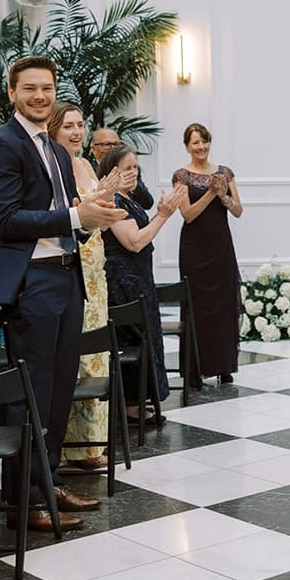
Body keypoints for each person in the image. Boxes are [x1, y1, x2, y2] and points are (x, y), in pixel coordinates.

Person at [0, 57, 126, 532]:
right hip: (29, 283)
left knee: (59, 391)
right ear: (12, 92)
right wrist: (78, 219)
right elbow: (6, 218)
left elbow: (62, 209)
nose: (40, 96)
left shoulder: (56, 151)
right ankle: (24, 499)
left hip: (64, 275)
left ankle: (48, 480)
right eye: (30, 89)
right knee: (30, 395)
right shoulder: (1, 144)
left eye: (48, 88)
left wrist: (88, 214)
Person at [99, 145, 184, 430]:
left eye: (135, 167)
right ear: (111, 172)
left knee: (147, 336)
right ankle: (132, 404)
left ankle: (143, 398)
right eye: (126, 168)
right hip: (123, 282)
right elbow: (133, 241)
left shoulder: (129, 198)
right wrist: (163, 215)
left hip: (139, 279)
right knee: (132, 339)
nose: (133, 172)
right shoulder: (114, 203)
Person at [52, 104, 112, 470]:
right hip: (73, 263)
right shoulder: (55, 166)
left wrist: (107, 195)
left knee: (96, 355)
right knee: (74, 357)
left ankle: (91, 445)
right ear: (54, 129)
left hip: (96, 266)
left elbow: (96, 206)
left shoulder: (86, 165)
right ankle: (71, 446)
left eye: (80, 125)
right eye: (68, 125)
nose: (76, 131)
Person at [172, 123, 242, 387]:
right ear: (187, 146)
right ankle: (195, 368)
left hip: (220, 245)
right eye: (194, 142)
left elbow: (237, 210)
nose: (200, 147)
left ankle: (224, 365)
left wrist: (223, 195)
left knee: (223, 304)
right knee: (196, 305)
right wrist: (211, 193)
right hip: (193, 248)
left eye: (204, 141)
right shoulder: (181, 176)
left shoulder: (225, 172)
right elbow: (187, 214)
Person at [89, 127, 153, 210]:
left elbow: (148, 203)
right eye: (107, 145)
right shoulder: (88, 170)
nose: (113, 148)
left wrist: (134, 185)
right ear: (93, 149)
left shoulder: (131, 169)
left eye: (116, 144)